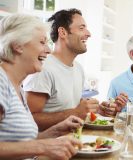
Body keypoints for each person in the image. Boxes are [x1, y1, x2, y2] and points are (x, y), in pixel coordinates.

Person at [0, 14, 82, 160]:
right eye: (42, 42)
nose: (48, 50)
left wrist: (55, 131)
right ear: (18, 45)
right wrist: (44, 147)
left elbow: (21, 143)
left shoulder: (17, 87)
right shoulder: (1, 81)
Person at [23, 8, 99, 131]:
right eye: (81, 28)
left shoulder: (78, 68)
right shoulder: (42, 68)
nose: (88, 33)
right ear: (63, 32)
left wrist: (96, 108)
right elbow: (29, 119)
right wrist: (74, 112)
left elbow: (74, 107)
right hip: (49, 146)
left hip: (76, 142)